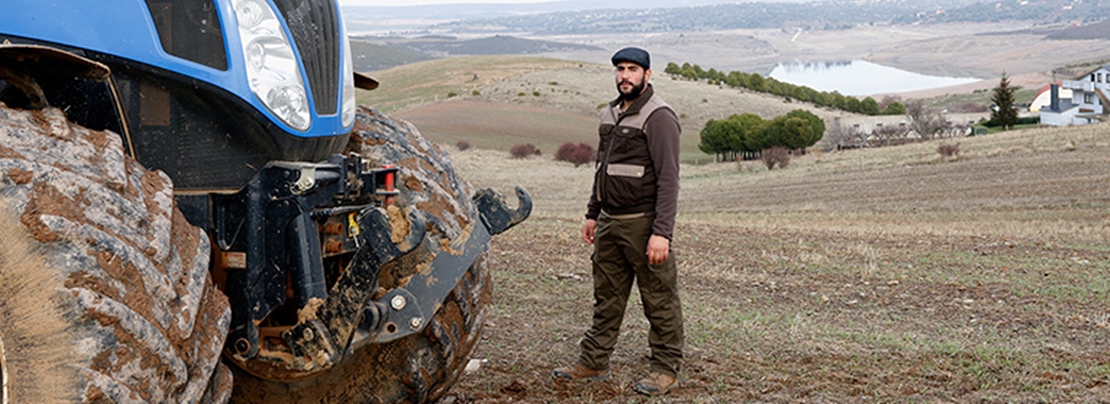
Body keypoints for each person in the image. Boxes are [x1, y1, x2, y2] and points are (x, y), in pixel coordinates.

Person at [552, 46, 684, 397]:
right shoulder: (611, 113)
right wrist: (593, 213)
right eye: (620, 69)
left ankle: (665, 369)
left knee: (659, 299)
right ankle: (593, 361)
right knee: (606, 297)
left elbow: (669, 180)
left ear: (647, 75)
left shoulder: (659, 117)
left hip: (643, 224)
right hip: (609, 222)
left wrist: (661, 233)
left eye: (633, 70)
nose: (625, 75)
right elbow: (603, 169)